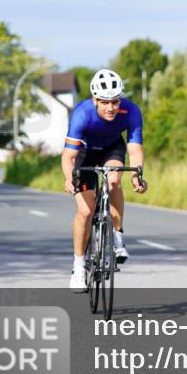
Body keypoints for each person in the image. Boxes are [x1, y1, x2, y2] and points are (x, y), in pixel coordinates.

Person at [61, 69, 148, 292]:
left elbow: (135, 149)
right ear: (95, 100)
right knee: (85, 212)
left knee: (114, 182)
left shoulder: (131, 111)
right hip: (85, 153)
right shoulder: (82, 113)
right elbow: (69, 156)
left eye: (115, 102)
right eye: (105, 102)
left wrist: (138, 175)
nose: (111, 108)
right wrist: (69, 177)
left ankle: (118, 238)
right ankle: (79, 266)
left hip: (112, 149)